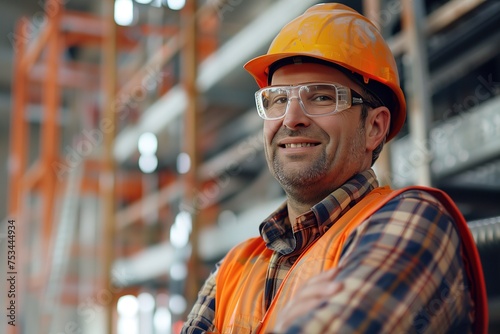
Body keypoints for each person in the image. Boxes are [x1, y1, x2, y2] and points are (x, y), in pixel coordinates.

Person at [182, 3, 488, 333]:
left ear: (374, 127)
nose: (291, 118)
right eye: (278, 99)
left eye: (322, 97)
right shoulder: (234, 268)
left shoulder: (417, 221)